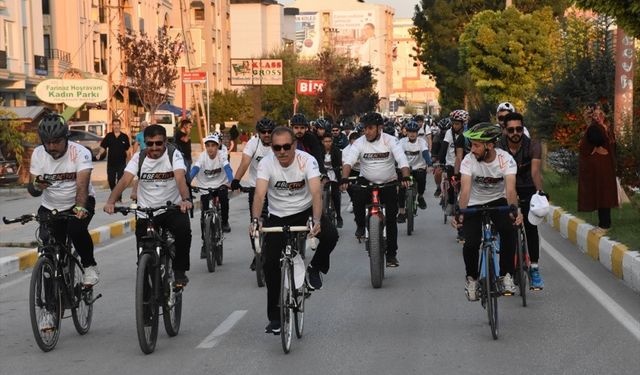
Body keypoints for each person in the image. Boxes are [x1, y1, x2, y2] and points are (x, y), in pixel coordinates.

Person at [250, 126, 338, 335]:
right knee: (269, 263)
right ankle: (275, 317)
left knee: (331, 235)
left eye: (286, 147)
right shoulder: (266, 164)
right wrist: (255, 220)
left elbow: (316, 192)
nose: (281, 152)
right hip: (278, 215)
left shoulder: (307, 161)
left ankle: (315, 268)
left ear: (294, 145)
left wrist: (316, 221)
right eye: (276, 147)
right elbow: (260, 194)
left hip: (306, 211)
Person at [104, 124, 192, 286]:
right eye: (150, 143)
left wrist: (185, 199)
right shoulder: (139, 158)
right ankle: (145, 298)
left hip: (171, 207)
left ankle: (179, 271)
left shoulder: (174, 155)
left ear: (165, 142)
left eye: (158, 143)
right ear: (145, 143)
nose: (154, 147)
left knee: (184, 231)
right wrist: (111, 201)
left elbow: (180, 179)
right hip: (146, 211)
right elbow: (125, 180)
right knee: (143, 256)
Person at [451, 123, 522, 300]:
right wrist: (460, 213)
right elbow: (465, 190)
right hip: (474, 202)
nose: (472, 149)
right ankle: (472, 279)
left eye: (476, 145)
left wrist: (514, 211)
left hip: (499, 201)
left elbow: (511, 190)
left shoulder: (505, 160)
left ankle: (506, 276)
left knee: (508, 231)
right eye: (471, 144)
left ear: (489, 145)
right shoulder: (468, 160)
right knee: (471, 243)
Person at [28, 113, 99, 288]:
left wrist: (79, 209)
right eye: (47, 142)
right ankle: (51, 307)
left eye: (56, 142)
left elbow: (82, 186)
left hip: (79, 201)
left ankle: (89, 266)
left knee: (76, 229)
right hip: (50, 205)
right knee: (48, 249)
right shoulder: (38, 154)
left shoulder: (80, 152)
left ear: (66, 138)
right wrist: (37, 185)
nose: (52, 147)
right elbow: (32, 189)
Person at [340, 112, 411, 267]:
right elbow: (349, 161)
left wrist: (405, 177)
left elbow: (401, 160)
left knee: (391, 220)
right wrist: (344, 178)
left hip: (389, 183)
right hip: (367, 181)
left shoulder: (391, 141)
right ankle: (360, 225)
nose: (367, 132)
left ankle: (391, 255)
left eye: (370, 128)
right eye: (365, 128)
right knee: (357, 200)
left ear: (380, 128)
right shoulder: (359, 143)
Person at [499, 112, 545, 289]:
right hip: (505, 188)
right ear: (504, 131)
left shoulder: (533, 145)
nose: (515, 133)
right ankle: (508, 273)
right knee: (507, 231)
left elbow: (535, 172)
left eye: (518, 129)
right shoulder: (499, 147)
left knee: (531, 226)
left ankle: (534, 267)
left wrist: (540, 192)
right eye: (511, 130)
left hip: (527, 187)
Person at [231, 118, 275, 270]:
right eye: (263, 132)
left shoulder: (278, 144)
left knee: (274, 222)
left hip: (275, 188)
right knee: (254, 222)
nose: (267, 134)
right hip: (256, 188)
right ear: (259, 133)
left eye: (270, 132)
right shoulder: (252, 144)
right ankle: (257, 253)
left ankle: (274, 251)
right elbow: (244, 163)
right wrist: (236, 180)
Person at [189, 134, 234, 260]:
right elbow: (195, 170)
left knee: (224, 198)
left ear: (217, 146)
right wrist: (187, 183)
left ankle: (224, 222)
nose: (210, 149)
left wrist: (231, 182)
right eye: (207, 146)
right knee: (204, 215)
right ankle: (205, 243)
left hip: (220, 184)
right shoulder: (202, 157)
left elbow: (228, 168)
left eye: (213, 145)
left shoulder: (222, 155)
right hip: (205, 187)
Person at [578, 103, 618, 232]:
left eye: (599, 114)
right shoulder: (603, 127)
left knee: (603, 194)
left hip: (601, 167)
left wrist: (596, 147)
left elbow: (598, 140)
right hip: (603, 166)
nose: (598, 116)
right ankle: (604, 224)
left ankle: (604, 225)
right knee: (603, 194)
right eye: (594, 114)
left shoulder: (596, 128)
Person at [438, 109, 468, 242]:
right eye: (453, 123)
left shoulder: (468, 135)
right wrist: (440, 161)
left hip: (467, 168)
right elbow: (444, 148)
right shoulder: (449, 134)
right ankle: (461, 230)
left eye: (457, 124)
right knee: (453, 191)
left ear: (464, 123)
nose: (455, 126)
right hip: (452, 165)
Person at [397, 120, 431, 222]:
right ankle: (402, 212)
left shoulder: (422, 142)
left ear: (417, 133)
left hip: (418, 167)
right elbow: (397, 154)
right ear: (406, 132)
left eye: (414, 132)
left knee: (421, 180)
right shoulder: (401, 142)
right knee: (401, 189)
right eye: (410, 131)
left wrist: (429, 164)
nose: (412, 134)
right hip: (404, 168)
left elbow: (425, 152)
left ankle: (420, 196)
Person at [97, 118, 130, 202]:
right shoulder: (109, 136)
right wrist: (99, 154)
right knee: (111, 181)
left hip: (121, 163)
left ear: (120, 126)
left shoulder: (124, 137)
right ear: (112, 126)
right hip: (111, 163)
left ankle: (118, 198)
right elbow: (103, 147)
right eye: (114, 125)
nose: (116, 126)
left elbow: (127, 150)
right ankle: (115, 195)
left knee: (120, 181)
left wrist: (129, 161)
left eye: (117, 125)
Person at [321, 132, 343, 228]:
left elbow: (339, 163)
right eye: (325, 141)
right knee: (319, 194)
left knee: (335, 195)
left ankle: (339, 217)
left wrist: (338, 168)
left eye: (329, 141)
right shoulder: (319, 151)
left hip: (334, 174)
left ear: (332, 141)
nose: (327, 143)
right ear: (322, 142)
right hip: (323, 175)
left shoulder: (336, 150)